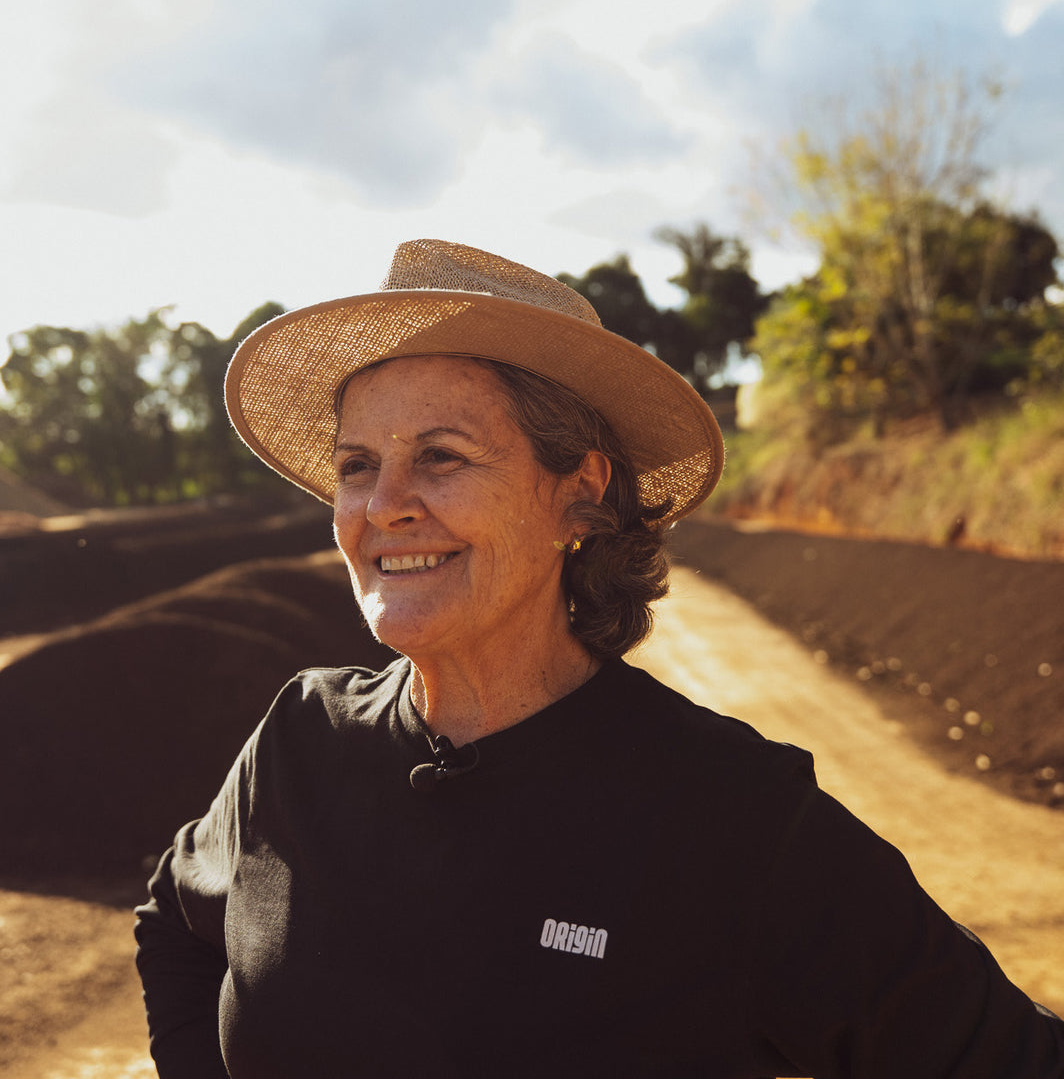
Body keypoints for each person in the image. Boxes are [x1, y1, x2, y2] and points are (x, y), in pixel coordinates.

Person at [134, 239, 1063, 1078]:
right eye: (356, 466)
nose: (385, 505)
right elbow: (173, 927)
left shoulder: (732, 817)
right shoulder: (300, 741)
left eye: (442, 456)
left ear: (579, 493)